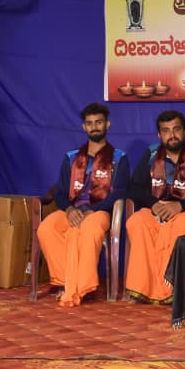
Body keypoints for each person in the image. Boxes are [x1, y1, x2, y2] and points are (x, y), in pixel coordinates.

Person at [36, 103, 129, 307]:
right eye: (90, 123)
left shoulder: (119, 158)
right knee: (47, 228)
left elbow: (120, 192)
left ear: (107, 124)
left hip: (100, 211)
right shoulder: (71, 158)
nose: (94, 127)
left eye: (99, 122)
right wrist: (70, 210)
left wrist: (91, 210)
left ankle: (82, 287)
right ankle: (67, 281)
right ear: (84, 127)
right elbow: (61, 192)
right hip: (73, 210)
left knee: (88, 228)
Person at [126, 110, 185, 302]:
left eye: (176, 129)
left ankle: (168, 291)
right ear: (159, 135)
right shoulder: (152, 153)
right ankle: (142, 288)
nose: (172, 135)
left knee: (181, 226)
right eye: (166, 130)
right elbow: (133, 187)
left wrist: (180, 205)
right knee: (136, 222)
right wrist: (153, 205)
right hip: (156, 208)